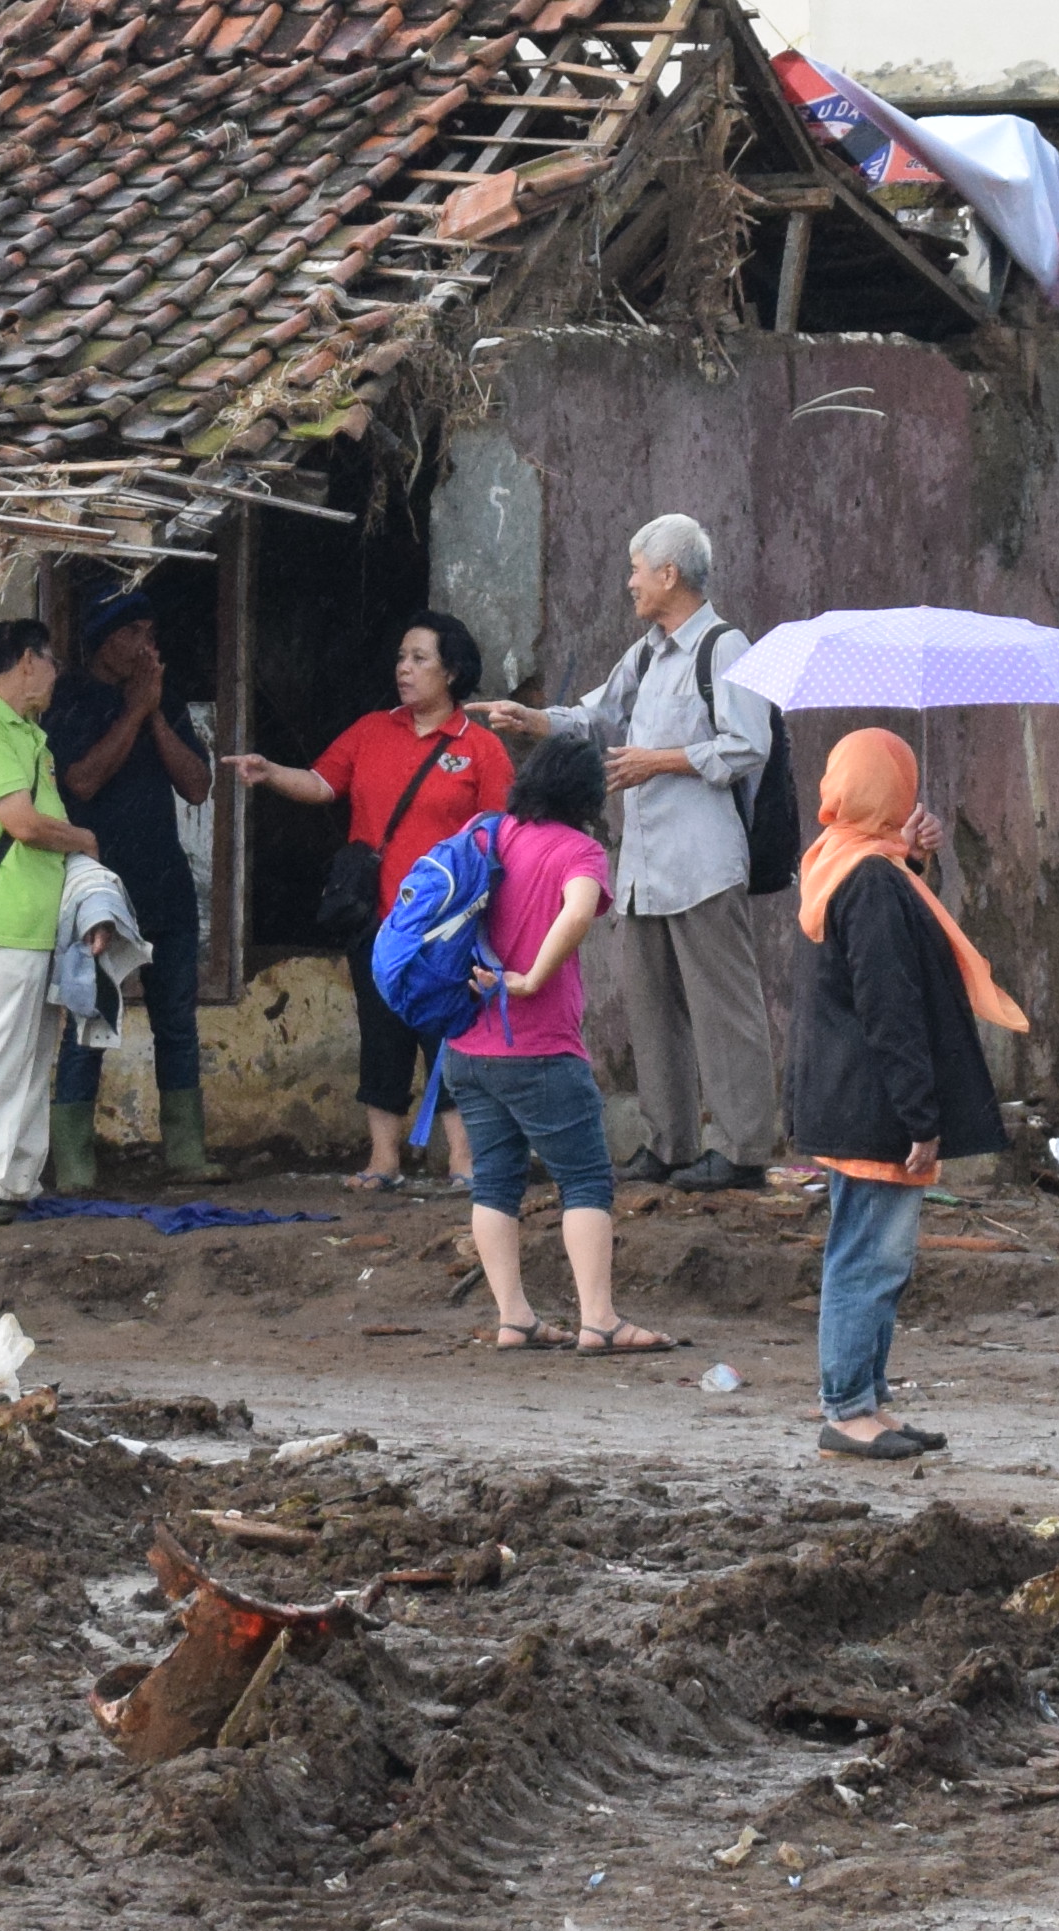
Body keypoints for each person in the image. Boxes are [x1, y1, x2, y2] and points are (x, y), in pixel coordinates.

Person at [514, 517, 784, 1189]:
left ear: (669, 574)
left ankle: (742, 1150)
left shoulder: (723, 647)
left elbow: (749, 744)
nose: (630, 581)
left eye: (637, 568)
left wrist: (657, 762)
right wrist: (539, 721)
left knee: (725, 1010)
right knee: (652, 1007)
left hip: (702, 862)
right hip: (645, 865)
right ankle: (671, 1144)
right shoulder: (647, 652)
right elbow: (600, 714)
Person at [786, 725, 1015, 1464]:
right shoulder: (874, 880)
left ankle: (869, 1401)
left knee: (873, 1256)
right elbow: (892, 1005)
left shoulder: (842, 859)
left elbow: (905, 934)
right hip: (876, 1104)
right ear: (892, 792)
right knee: (869, 1260)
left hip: (851, 1097)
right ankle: (847, 1408)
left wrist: (917, 855)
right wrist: (921, 1116)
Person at [227, 611, 513, 1187]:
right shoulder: (370, 730)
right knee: (381, 1032)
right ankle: (383, 1161)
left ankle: (464, 1162)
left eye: (419, 659)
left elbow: (501, 836)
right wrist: (271, 771)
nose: (404, 670)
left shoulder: (480, 748)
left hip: (448, 928)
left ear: (452, 672)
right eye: (402, 658)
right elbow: (322, 783)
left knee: (451, 1035)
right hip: (378, 919)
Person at [444, 734, 669, 1355]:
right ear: (587, 795)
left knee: (494, 1181)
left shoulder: (489, 834)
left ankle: (513, 1318)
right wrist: (533, 977)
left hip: (467, 1045)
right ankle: (599, 1320)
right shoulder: (580, 849)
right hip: (540, 1047)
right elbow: (576, 912)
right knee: (587, 1181)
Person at [46, 588, 215, 1190]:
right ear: (104, 641)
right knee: (89, 1020)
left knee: (176, 1021)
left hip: (165, 882)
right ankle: (73, 1164)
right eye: (134, 633)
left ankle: (186, 1154)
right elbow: (82, 781)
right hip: (99, 890)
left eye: (152, 631)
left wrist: (153, 711)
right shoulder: (69, 698)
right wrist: (135, 712)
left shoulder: (157, 700)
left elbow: (197, 786)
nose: (148, 646)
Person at [0, 622, 99, 1231]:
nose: (57, 674)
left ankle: (14, 1179)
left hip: (38, 920)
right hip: (3, 917)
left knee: (33, 1055)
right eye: (52, 661)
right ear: (27, 662)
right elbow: (23, 824)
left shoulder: (29, 735)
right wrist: (84, 838)